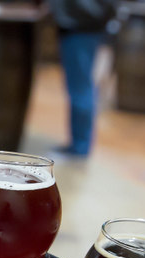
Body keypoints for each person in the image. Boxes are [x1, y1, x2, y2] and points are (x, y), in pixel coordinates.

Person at [47, 0, 116, 157]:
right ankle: (78, 144)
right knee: (80, 86)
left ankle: (79, 147)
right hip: (80, 23)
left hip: (81, 24)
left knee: (80, 88)